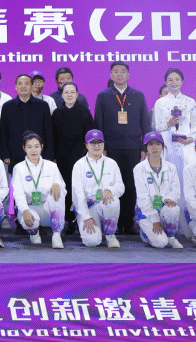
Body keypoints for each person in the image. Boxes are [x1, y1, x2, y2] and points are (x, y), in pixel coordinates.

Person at [92, 61, 151, 234]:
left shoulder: (138, 95)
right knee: (112, 184)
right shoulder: (103, 96)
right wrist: (101, 146)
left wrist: (144, 146)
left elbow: (145, 122)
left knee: (130, 185)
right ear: (111, 75)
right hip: (111, 147)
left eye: (123, 71)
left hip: (133, 147)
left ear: (128, 75)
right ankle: (114, 221)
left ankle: (128, 222)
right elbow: (98, 122)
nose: (119, 74)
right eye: (116, 71)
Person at [12, 132, 68, 247]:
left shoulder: (51, 166)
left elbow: (63, 188)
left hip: (47, 208)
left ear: (42, 147)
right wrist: (25, 210)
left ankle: (56, 235)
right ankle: (34, 233)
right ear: (24, 148)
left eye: (36, 146)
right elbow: (18, 193)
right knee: (30, 223)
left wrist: (57, 185)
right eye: (29, 147)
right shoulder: (19, 168)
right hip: (29, 207)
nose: (33, 150)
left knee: (59, 193)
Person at [153, 68, 196, 198]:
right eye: (170, 80)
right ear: (165, 82)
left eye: (177, 79)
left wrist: (191, 138)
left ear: (182, 81)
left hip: (186, 144)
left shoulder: (190, 101)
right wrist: (168, 124)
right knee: (169, 176)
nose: (174, 82)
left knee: (188, 175)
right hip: (168, 145)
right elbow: (156, 127)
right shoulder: (160, 103)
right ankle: (170, 205)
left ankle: (189, 206)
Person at [71, 130, 123, 248]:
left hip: (104, 204)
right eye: (92, 143)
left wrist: (110, 190)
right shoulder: (79, 165)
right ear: (86, 145)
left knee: (113, 201)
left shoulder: (112, 163)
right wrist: (86, 217)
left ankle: (110, 234)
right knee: (92, 242)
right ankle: (93, 227)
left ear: (104, 144)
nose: (96, 146)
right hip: (88, 207)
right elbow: (77, 195)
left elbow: (120, 186)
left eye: (99, 142)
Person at [133, 132, 183, 249]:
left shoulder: (171, 167)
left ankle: (170, 236)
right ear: (146, 148)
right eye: (151, 144)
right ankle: (145, 233)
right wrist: (154, 220)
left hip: (164, 208)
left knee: (173, 209)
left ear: (162, 146)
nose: (154, 147)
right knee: (160, 243)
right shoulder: (139, 168)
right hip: (146, 212)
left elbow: (175, 190)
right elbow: (142, 197)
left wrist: (169, 198)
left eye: (157, 144)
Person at [0, 74, 53, 167]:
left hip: (38, 154)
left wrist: (49, 154)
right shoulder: (7, 106)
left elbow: (48, 131)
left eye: (26, 84)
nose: (23, 86)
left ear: (32, 86)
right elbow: (4, 133)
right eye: (20, 84)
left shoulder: (43, 105)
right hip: (14, 154)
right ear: (16, 87)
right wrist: (5, 154)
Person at [51, 82, 95, 170]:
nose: (69, 95)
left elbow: (90, 135)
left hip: (81, 155)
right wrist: (53, 156)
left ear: (77, 94)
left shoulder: (85, 112)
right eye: (66, 92)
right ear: (62, 95)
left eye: (72, 92)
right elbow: (53, 136)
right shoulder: (56, 113)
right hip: (61, 156)